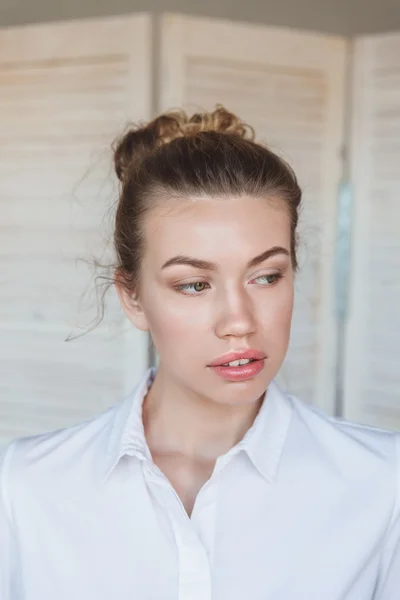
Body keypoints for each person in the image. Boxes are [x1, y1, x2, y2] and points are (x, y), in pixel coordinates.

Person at [0, 106, 399, 600]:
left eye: (266, 276)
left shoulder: (384, 485)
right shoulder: (26, 487)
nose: (239, 320)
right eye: (193, 285)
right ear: (133, 297)